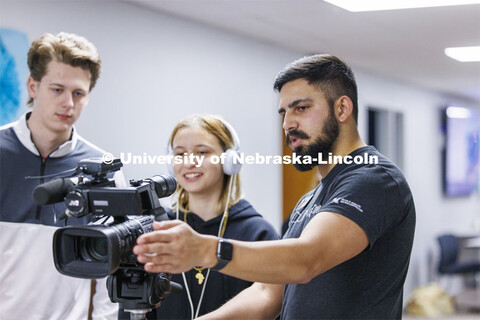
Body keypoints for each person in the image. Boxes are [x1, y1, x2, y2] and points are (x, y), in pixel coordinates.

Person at [132, 54, 416, 319]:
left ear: (342, 108)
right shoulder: (311, 199)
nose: (287, 124)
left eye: (301, 108)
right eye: (283, 113)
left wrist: (204, 250)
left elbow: (307, 259)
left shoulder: (374, 179)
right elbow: (267, 292)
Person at [0, 32, 122, 319]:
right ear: (33, 86)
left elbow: (112, 270)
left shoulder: (105, 170)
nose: (68, 102)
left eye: (78, 93)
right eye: (57, 89)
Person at [119, 114, 279, 319]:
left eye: (202, 152)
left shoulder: (259, 234)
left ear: (230, 160)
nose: (189, 162)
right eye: (180, 154)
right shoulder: (155, 229)